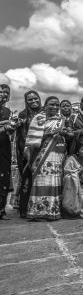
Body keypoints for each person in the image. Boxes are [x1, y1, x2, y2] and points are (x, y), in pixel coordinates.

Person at [24, 96, 71, 221]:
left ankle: (52, 211)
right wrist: (50, 133)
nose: (55, 107)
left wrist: (64, 132)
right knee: (41, 181)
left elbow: (68, 135)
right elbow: (32, 140)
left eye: (57, 105)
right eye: (52, 104)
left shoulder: (61, 119)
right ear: (45, 105)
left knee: (54, 181)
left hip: (57, 155)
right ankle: (38, 211)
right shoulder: (39, 118)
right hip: (41, 155)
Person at [15, 90, 43, 218]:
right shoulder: (23, 114)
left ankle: (40, 207)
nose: (33, 101)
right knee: (26, 180)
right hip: (26, 153)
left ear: (39, 98)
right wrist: (25, 151)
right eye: (30, 99)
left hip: (43, 151)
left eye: (35, 98)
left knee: (41, 181)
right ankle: (24, 209)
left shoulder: (44, 112)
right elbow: (20, 136)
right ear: (26, 102)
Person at [0, 85, 16, 220]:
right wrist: (5, 126)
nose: (4, 95)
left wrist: (12, 127)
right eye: (1, 92)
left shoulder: (8, 111)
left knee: (4, 178)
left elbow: (10, 131)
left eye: (6, 92)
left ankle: (1, 210)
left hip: (4, 148)